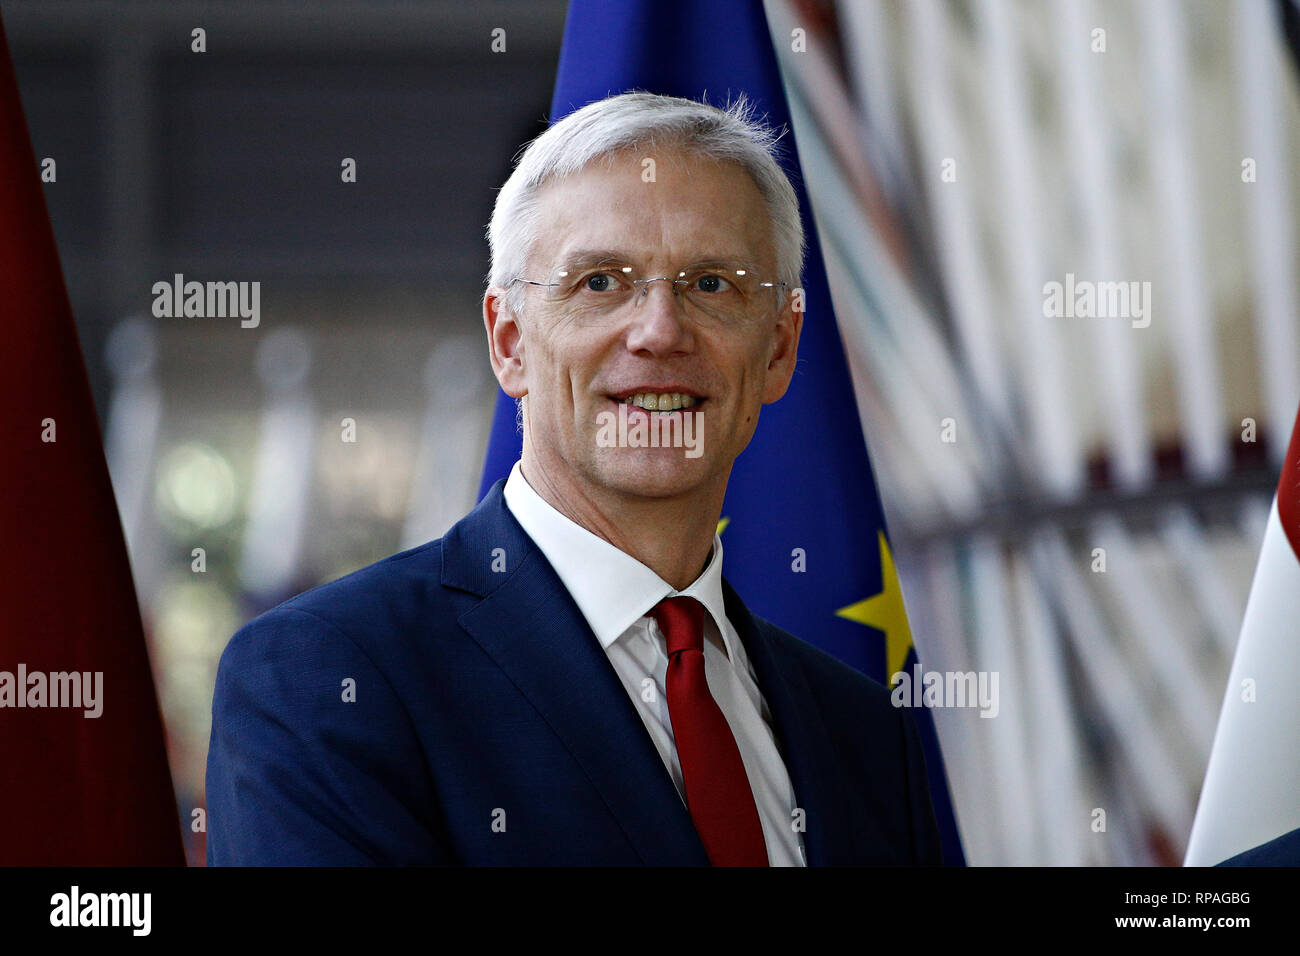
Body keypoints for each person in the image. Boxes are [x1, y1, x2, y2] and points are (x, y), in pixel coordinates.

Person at [205, 91, 942, 866]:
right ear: (510, 343)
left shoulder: (863, 731)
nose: (659, 330)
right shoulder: (327, 677)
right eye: (600, 282)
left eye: (712, 284)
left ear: (780, 350)